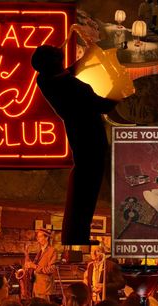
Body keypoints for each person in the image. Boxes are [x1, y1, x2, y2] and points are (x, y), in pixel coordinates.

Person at [31, 45, 118, 245]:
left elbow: (66, 73)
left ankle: (76, 235)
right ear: (55, 63)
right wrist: (123, 93)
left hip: (78, 133)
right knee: (87, 186)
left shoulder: (44, 79)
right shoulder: (69, 86)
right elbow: (103, 104)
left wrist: (85, 59)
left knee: (83, 184)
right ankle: (76, 235)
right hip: (89, 134)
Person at [24, 228, 57, 300]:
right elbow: (35, 265)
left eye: (40, 237)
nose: (38, 239)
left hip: (44, 288)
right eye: (37, 237)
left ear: (47, 238)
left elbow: (51, 269)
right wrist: (26, 255)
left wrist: (34, 266)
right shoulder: (40, 251)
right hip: (36, 286)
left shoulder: (52, 251)